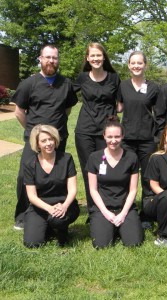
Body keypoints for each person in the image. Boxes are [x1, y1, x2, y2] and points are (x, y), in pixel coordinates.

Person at [13, 44, 78, 230]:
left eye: (55, 58)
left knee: (57, 176)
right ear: (40, 58)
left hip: (58, 140)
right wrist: (35, 134)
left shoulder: (65, 84)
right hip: (35, 142)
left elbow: (68, 108)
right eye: (48, 57)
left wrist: (54, 134)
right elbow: (19, 111)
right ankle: (23, 214)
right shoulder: (29, 83)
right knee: (23, 177)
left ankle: (57, 209)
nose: (51, 61)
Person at [74, 42, 120, 211]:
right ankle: (93, 209)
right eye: (92, 55)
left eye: (98, 55)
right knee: (89, 170)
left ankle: (108, 205)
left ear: (104, 57)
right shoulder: (83, 78)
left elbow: (121, 102)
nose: (95, 58)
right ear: (87, 58)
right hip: (84, 130)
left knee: (106, 169)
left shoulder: (114, 77)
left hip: (107, 131)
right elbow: (67, 95)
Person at [86, 116, 144, 248]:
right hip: (103, 208)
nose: (113, 141)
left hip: (125, 208)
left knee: (134, 243)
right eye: (110, 137)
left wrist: (123, 213)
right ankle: (109, 226)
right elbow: (93, 190)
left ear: (122, 136)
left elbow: (133, 190)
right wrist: (106, 212)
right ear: (104, 136)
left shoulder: (131, 157)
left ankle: (122, 226)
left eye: (117, 137)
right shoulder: (94, 158)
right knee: (101, 245)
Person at [117, 51, 159, 218]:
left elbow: (160, 112)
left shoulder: (154, 87)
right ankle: (127, 211)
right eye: (133, 63)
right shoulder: (123, 86)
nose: (136, 66)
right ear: (128, 65)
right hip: (127, 139)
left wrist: (158, 136)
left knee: (148, 179)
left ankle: (147, 214)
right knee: (126, 176)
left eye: (139, 63)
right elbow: (118, 108)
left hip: (148, 139)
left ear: (145, 65)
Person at [23, 124, 79, 248]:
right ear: (37, 144)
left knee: (57, 220)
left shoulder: (66, 158)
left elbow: (73, 189)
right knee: (32, 243)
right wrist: (49, 209)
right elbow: (32, 196)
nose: (49, 143)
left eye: (51, 139)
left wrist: (64, 206)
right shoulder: (30, 164)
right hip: (40, 207)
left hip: (64, 205)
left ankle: (62, 231)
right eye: (44, 141)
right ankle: (47, 227)